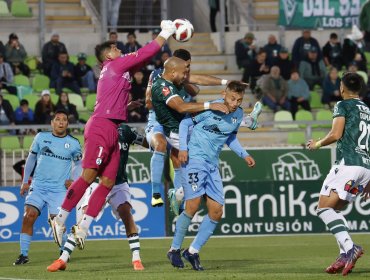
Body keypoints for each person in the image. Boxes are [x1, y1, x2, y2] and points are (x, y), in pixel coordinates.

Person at [49, 20, 177, 251]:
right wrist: (165, 33)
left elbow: (144, 59)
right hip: (101, 126)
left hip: (113, 127)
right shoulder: (116, 65)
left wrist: (128, 105)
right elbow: (145, 52)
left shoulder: (119, 70)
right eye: (116, 48)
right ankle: (59, 218)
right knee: (89, 175)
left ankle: (83, 227)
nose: (121, 50)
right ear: (108, 55)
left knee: (108, 182)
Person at [167, 81, 256, 270]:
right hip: (195, 160)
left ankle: (192, 251)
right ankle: (174, 249)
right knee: (192, 205)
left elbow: (230, 137)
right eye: (232, 98)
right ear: (224, 94)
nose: (235, 103)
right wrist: (183, 148)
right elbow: (184, 123)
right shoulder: (210, 108)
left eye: (239, 100)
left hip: (212, 165)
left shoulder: (238, 114)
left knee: (217, 211)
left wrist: (244, 154)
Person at [47, 124, 146, 272]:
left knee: (126, 213)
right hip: (99, 183)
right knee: (84, 218)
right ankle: (63, 259)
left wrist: (156, 141)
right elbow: (88, 162)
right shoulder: (97, 130)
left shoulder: (125, 130)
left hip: (119, 183)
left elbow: (146, 142)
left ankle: (136, 259)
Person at [307, 72, 370, 276]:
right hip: (365, 168)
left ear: (342, 88)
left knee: (323, 209)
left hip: (348, 163)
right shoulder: (368, 110)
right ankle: (344, 254)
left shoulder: (342, 105)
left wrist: (316, 144)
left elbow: (336, 134)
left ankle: (350, 248)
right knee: (335, 208)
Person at [13, 110, 82, 265]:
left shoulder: (74, 143)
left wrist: (74, 180)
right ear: (52, 123)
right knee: (28, 216)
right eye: (57, 119)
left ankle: (63, 252)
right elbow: (31, 159)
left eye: (64, 119)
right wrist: (25, 181)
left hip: (59, 190)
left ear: (67, 124)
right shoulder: (41, 137)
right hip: (38, 186)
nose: (61, 122)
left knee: (57, 223)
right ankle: (23, 255)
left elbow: (79, 164)